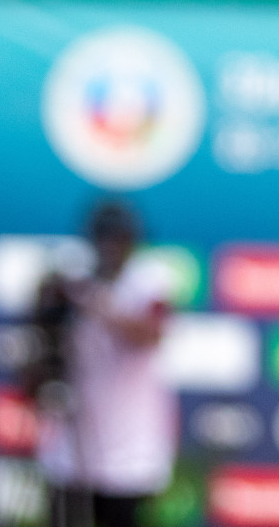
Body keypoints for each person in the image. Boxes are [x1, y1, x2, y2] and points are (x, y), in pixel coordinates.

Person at [33, 202, 176, 527]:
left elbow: (149, 334)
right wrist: (48, 304)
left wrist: (90, 298)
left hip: (130, 456)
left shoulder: (149, 282)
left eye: (120, 239)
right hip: (71, 451)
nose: (111, 247)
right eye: (104, 238)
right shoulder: (76, 285)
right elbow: (42, 359)